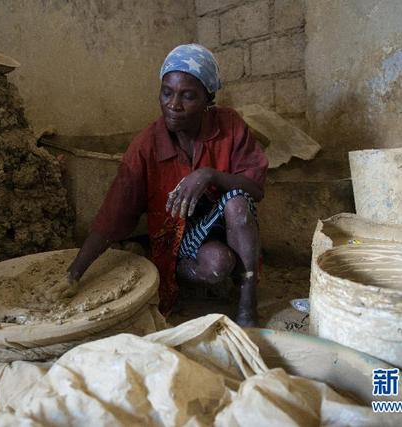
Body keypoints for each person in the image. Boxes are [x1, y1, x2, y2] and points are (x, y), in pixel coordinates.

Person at [66, 44, 268, 326]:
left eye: (188, 96)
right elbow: (114, 215)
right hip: (180, 238)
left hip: (228, 224)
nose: (174, 104)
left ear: (208, 98)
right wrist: (74, 273)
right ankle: (193, 275)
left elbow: (255, 189)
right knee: (217, 264)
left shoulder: (229, 125)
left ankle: (247, 303)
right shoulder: (145, 145)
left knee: (237, 203)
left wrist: (210, 175)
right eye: (167, 92)